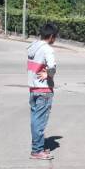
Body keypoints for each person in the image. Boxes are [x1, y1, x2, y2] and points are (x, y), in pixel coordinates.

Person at [27, 23, 59, 160]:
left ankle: (37, 146)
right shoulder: (47, 49)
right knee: (40, 121)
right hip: (44, 90)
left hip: (33, 89)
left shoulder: (33, 46)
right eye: (55, 37)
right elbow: (52, 67)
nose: (55, 39)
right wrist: (49, 75)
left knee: (35, 119)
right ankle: (37, 150)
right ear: (51, 36)